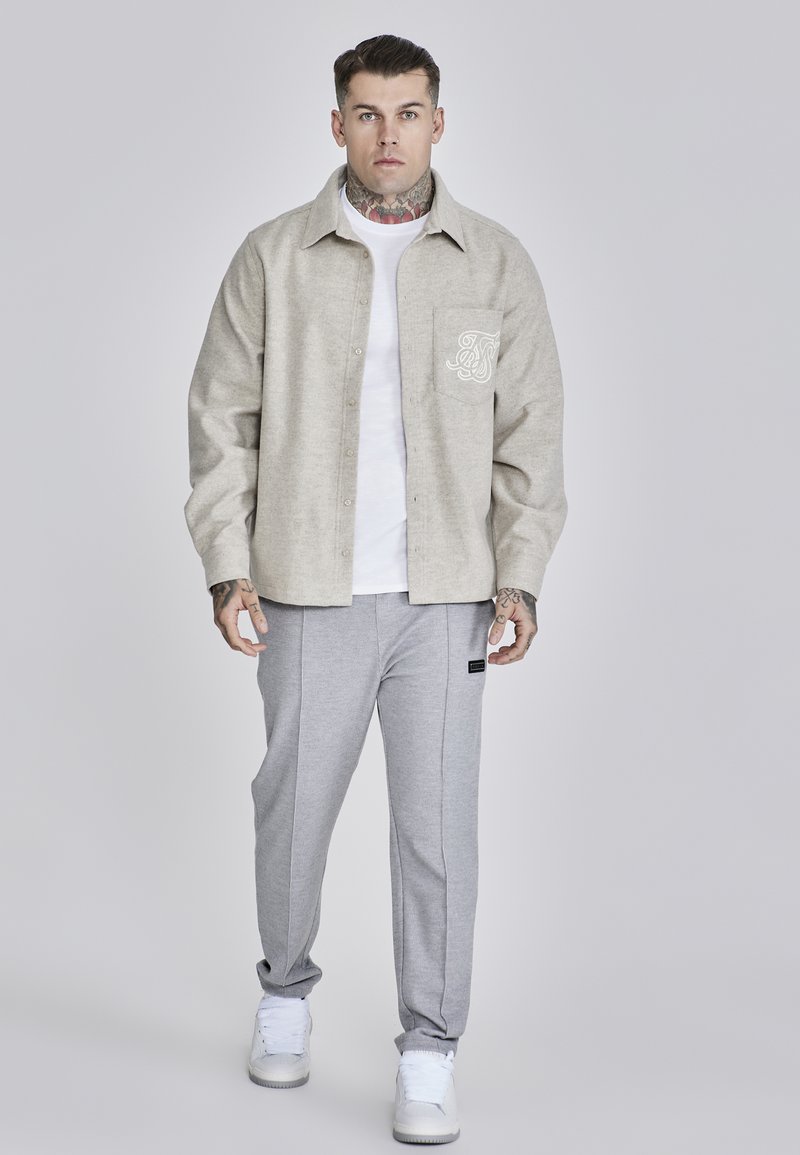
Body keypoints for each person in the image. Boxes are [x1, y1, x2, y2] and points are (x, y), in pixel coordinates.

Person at [183, 32, 567, 1145]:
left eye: (407, 113)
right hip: (308, 587)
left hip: (447, 596)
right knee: (293, 808)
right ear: (337, 124)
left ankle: (428, 1050)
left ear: (437, 123)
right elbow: (220, 422)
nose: (387, 134)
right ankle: (284, 990)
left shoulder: (492, 264)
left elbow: (531, 433)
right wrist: (226, 563)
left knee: (437, 832)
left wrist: (520, 577)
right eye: (366, 113)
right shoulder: (273, 257)